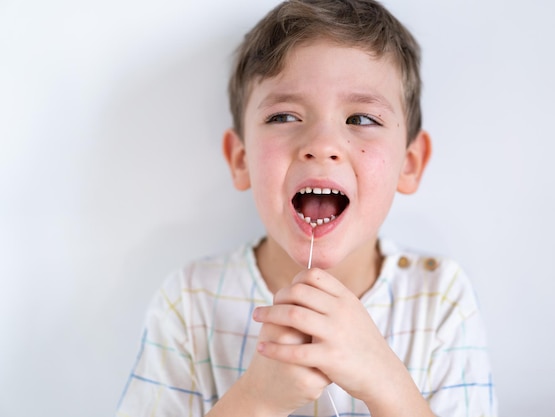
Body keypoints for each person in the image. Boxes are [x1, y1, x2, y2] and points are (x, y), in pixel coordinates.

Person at [116, 1, 497, 416]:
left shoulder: (439, 297)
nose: (322, 145)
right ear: (241, 160)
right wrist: (256, 400)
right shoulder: (189, 302)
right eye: (284, 115)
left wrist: (385, 381)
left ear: (409, 164)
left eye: (362, 118)